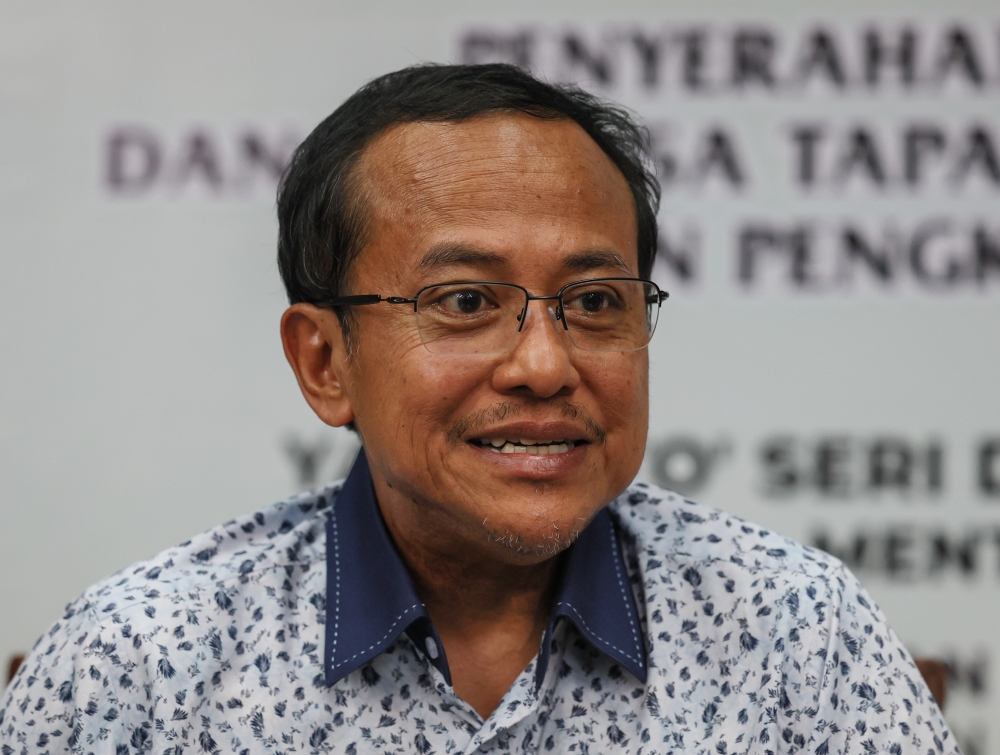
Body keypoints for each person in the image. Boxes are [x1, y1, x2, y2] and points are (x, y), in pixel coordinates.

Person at [0, 64, 956, 755]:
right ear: (325, 360)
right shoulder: (138, 666)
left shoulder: (799, 632)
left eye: (593, 303)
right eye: (463, 302)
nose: (545, 365)